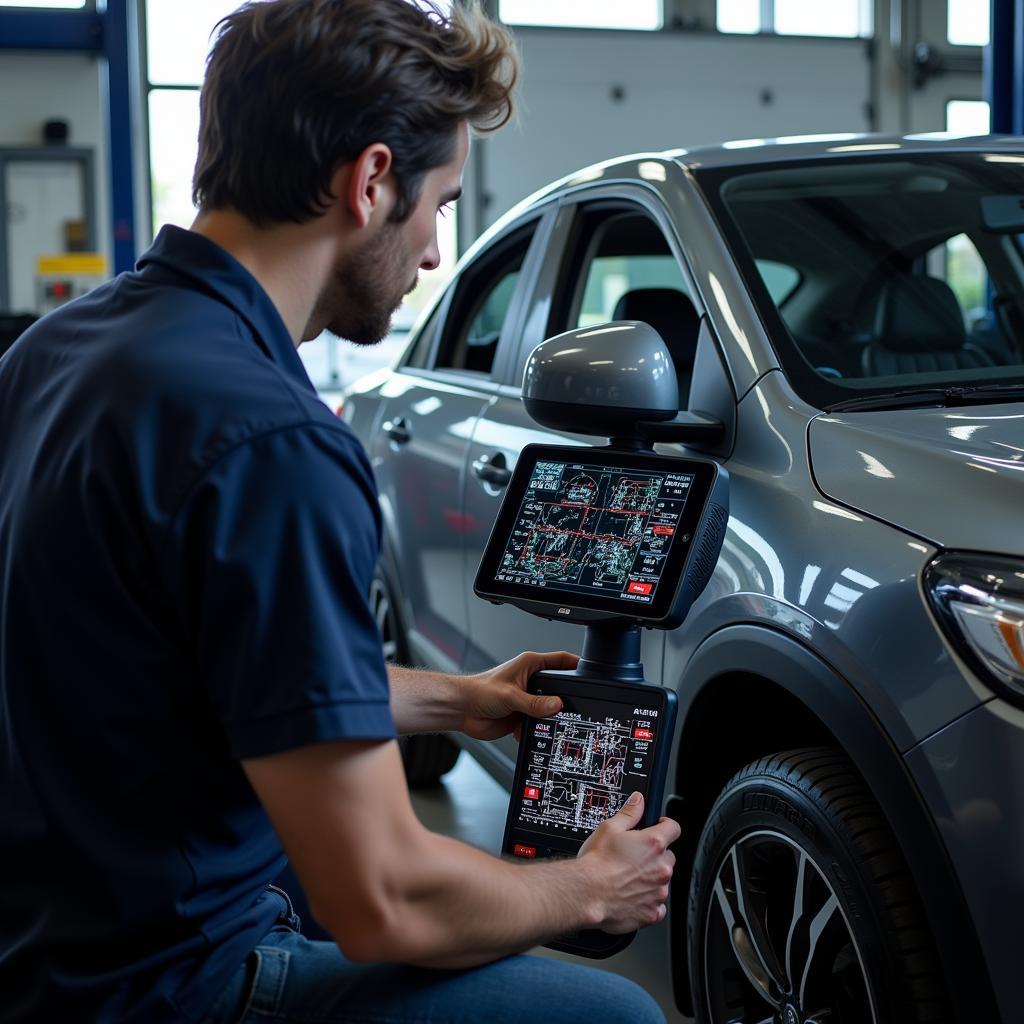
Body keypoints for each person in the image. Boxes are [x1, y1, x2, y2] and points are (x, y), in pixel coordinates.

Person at [0, 2, 680, 1022]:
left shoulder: (59, 352)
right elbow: (379, 900)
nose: (436, 255)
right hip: (173, 981)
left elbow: (192, 672)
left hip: (45, 943)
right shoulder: (276, 444)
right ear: (369, 183)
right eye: (439, 205)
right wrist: (588, 887)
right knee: (620, 1015)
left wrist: (458, 699)